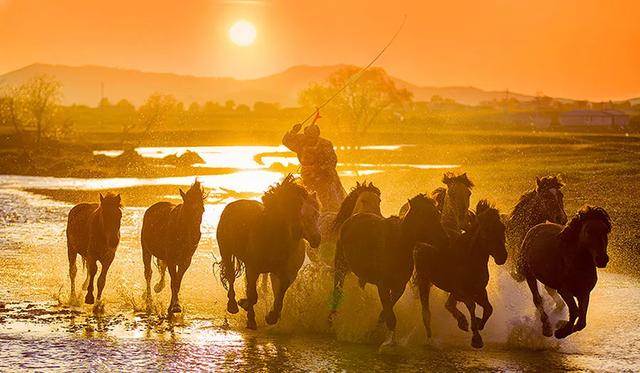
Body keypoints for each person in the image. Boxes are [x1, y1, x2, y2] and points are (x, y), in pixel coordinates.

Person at [282, 111, 345, 212]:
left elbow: (332, 161)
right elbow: (286, 141)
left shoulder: (325, 144)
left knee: (329, 204)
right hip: (307, 177)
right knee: (305, 201)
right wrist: (294, 131)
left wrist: (319, 168)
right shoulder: (301, 142)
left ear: (317, 134)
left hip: (324, 177)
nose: (310, 139)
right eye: (308, 136)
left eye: (312, 136)